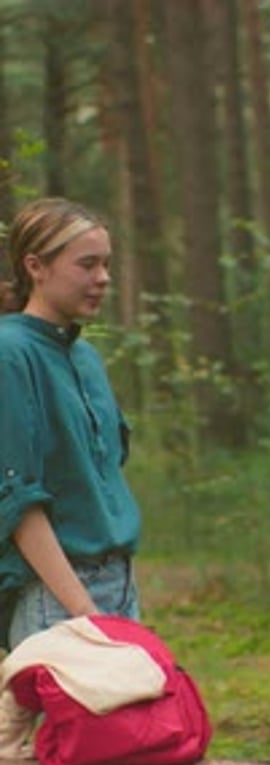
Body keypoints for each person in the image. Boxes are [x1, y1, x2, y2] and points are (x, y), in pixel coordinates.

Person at [0, 197, 141, 651]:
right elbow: (17, 500)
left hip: (118, 583)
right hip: (57, 598)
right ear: (36, 266)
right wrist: (84, 612)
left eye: (106, 264)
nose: (103, 278)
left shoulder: (85, 356)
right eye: (87, 264)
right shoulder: (10, 353)